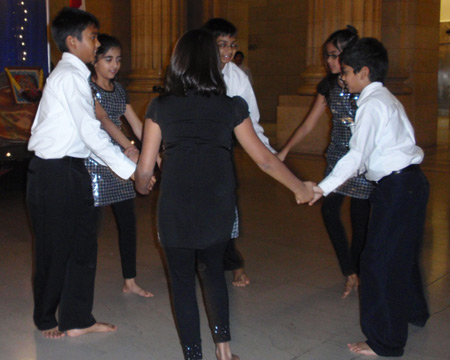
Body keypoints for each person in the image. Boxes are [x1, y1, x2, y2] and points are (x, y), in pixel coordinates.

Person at [135, 29, 314, 360]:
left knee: (182, 282)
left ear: (178, 63)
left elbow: (146, 169)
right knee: (213, 271)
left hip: (175, 204)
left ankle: (193, 355)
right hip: (217, 201)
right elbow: (263, 158)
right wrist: (299, 187)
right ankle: (224, 349)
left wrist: (142, 185)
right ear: (212, 64)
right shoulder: (232, 106)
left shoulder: (160, 106)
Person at [310, 38, 429, 357]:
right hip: (411, 183)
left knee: (378, 263)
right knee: (402, 255)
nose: (343, 78)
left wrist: (322, 187)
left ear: (364, 72)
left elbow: (356, 155)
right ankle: (414, 313)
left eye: (346, 71)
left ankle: (386, 341)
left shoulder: (372, 103)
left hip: (397, 187)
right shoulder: (386, 99)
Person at [27, 7, 136, 339]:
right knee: (54, 248)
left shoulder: (73, 77)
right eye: (93, 37)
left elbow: (81, 134)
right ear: (72, 42)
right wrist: (131, 170)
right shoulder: (70, 77)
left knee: (84, 245)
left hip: (71, 171)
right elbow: (91, 132)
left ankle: (77, 318)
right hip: (53, 173)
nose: (97, 42)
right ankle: (46, 318)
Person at [277, 26, 374, 299]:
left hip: (363, 160)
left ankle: (358, 272)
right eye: (326, 56)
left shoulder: (365, 85)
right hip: (337, 158)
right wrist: (284, 151)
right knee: (329, 211)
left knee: (360, 219)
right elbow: (308, 124)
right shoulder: (328, 86)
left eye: (333, 56)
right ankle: (349, 271)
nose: (328, 62)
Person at [202, 17, 275, 287]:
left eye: (232, 44)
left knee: (226, 211)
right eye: (222, 44)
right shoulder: (188, 73)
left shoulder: (237, 76)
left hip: (222, 152)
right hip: (192, 155)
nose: (229, 51)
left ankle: (233, 263)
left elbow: (252, 122)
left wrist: (270, 156)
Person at [85, 34, 153, 298]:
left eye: (119, 60)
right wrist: (131, 149)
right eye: (108, 59)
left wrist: (155, 153)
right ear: (95, 60)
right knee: (90, 230)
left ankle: (130, 280)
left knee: (128, 224)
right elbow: (103, 121)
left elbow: (136, 124)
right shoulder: (87, 89)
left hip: (121, 161)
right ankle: (82, 286)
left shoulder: (120, 90)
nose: (114, 65)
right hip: (96, 163)